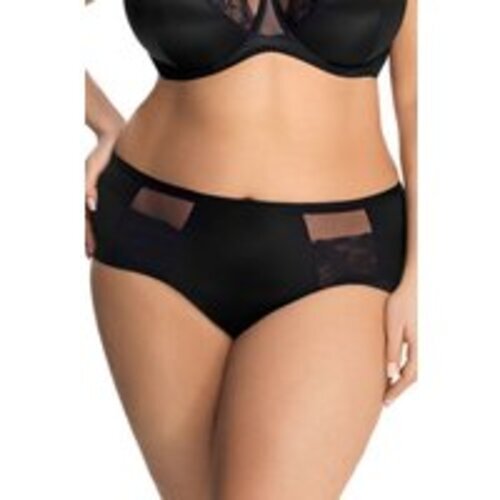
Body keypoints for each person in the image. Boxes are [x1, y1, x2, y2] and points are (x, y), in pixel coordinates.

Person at [85, 0, 417, 498]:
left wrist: (426, 269)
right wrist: (105, 123)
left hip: (341, 253)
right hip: (156, 240)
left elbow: (420, 101)